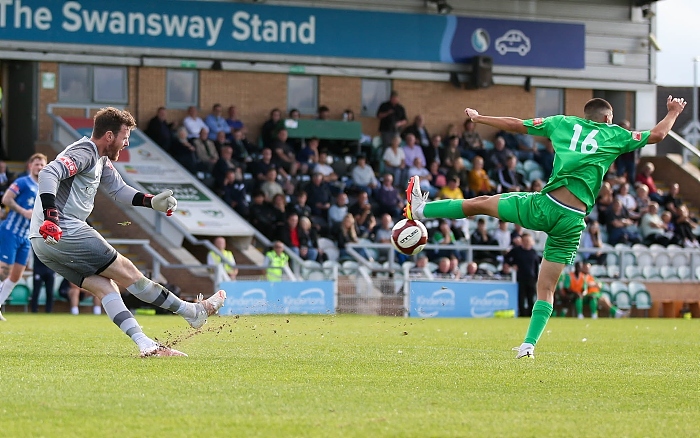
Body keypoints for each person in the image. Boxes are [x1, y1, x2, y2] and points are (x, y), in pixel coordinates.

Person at [402, 95, 686, 358]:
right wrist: (673, 112)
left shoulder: (562, 122)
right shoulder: (616, 135)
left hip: (543, 206)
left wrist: (479, 118)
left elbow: (516, 125)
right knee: (546, 288)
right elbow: (658, 134)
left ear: (586, 115)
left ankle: (423, 208)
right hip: (572, 221)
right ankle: (528, 345)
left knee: (482, 203)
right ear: (608, 118)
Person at [29, 107, 226, 357]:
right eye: (125, 137)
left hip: (42, 241)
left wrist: (152, 201)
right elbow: (49, 172)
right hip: (62, 228)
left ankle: (146, 345)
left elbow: (119, 190)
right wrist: (52, 216)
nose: (127, 143)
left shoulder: (101, 159)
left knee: (106, 287)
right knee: (130, 273)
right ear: (109, 136)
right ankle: (192, 311)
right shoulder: (85, 152)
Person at [0, 153, 47, 321]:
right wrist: (23, 211)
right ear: (30, 166)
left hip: (25, 237)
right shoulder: (22, 182)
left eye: (42, 165)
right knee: (3, 272)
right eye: (36, 164)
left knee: (16, 275)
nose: (39, 167)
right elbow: (6, 199)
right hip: (10, 231)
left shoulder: (45, 189)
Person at [504, 233, 541, 318]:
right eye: (525, 240)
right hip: (521, 278)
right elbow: (506, 257)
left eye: (528, 240)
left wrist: (536, 277)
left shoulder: (533, 252)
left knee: (531, 298)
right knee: (521, 298)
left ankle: (531, 315)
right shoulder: (517, 251)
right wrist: (512, 264)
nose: (527, 242)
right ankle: (522, 314)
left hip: (531, 279)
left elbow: (536, 266)